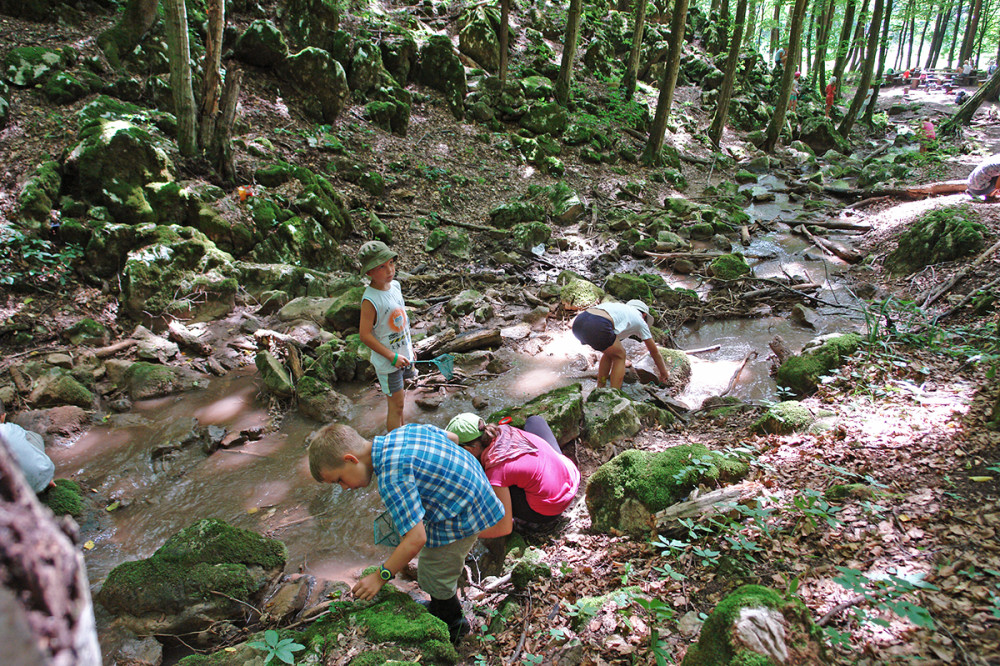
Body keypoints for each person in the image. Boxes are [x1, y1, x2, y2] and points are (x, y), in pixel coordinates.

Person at [307, 422, 504, 642]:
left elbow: (417, 538)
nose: (343, 488)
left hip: (466, 513)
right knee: (431, 567)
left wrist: (380, 576)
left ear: (351, 460)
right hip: (475, 487)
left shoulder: (391, 477)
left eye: (339, 480)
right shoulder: (403, 432)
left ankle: (455, 627)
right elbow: (453, 439)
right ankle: (438, 607)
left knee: (435, 574)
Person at [445, 413, 580, 536]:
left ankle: (526, 523)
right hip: (569, 474)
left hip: (552, 507)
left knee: (487, 494)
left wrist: (462, 534)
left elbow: (504, 528)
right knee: (534, 421)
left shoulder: (495, 471)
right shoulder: (503, 430)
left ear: (469, 449)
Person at [358, 240, 414, 432]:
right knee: (395, 405)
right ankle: (395, 445)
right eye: (382, 266)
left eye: (391, 263)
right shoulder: (370, 300)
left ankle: (402, 434)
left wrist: (407, 352)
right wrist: (392, 356)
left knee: (400, 402)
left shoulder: (395, 286)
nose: (390, 270)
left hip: (402, 354)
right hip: (388, 361)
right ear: (369, 272)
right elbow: (364, 335)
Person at [571, 299, 670, 390]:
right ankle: (615, 393)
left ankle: (600, 387)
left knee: (609, 353)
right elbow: (654, 351)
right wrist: (663, 373)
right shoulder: (640, 321)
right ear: (644, 315)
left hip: (579, 322)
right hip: (598, 323)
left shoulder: (619, 309)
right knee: (620, 355)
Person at [0, 422, 55, 493]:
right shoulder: (10, 427)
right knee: (31, 436)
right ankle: (46, 480)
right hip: (39, 480)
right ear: (3, 415)